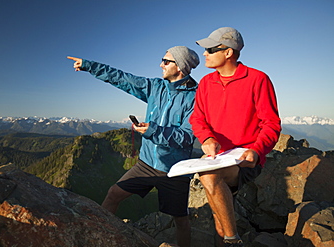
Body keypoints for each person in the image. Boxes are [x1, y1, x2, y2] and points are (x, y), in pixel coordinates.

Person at [67, 46, 199, 247]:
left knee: (181, 220)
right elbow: (123, 79)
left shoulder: (195, 97)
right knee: (113, 194)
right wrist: (90, 66)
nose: (160, 64)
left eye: (165, 61)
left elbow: (188, 137)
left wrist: (153, 130)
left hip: (175, 169)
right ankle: (99, 237)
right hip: (146, 163)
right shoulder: (156, 87)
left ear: (180, 67)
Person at [189, 27, 281, 247]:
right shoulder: (205, 83)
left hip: (245, 160)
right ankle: (226, 236)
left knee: (208, 176)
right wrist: (207, 139)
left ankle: (234, 241)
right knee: (218, 224)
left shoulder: (258, 79)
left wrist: (257, 151)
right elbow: (197, 119)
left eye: (210, 49)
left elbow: (271, 124)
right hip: (218, 157)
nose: (204, 54)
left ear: (228, 52)